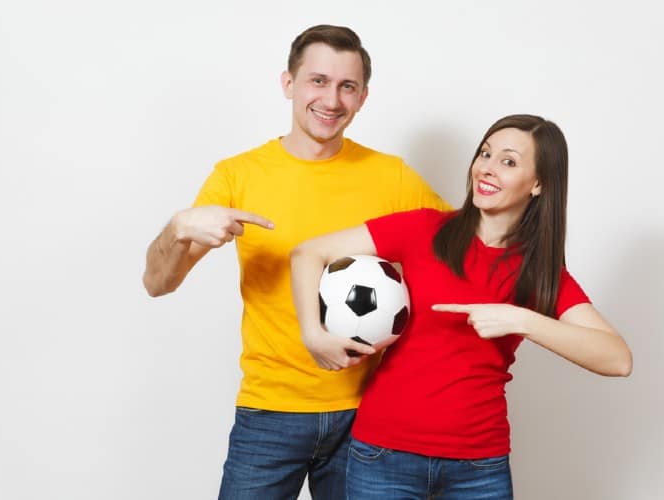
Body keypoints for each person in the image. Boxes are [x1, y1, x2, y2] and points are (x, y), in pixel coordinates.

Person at [142, 25, 449, 499]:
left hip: (366, 418)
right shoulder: (237, 176)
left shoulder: (393, 178)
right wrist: (179, 227)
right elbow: (157, 283)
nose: (332, 99)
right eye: (318, 81)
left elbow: (466, 250)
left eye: (347, 86)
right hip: (269, 414)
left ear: (363, 97)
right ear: (289, 83)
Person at [290, 114, 633, 499]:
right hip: (384, 457)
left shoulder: (540, 274)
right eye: (485, 153)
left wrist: (521, 318)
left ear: (539, 184)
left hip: (478, 468)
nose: (486, 168)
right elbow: (309, 253)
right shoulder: (423, 229)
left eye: (508, 161)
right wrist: (313, 334)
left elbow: (617, 359)